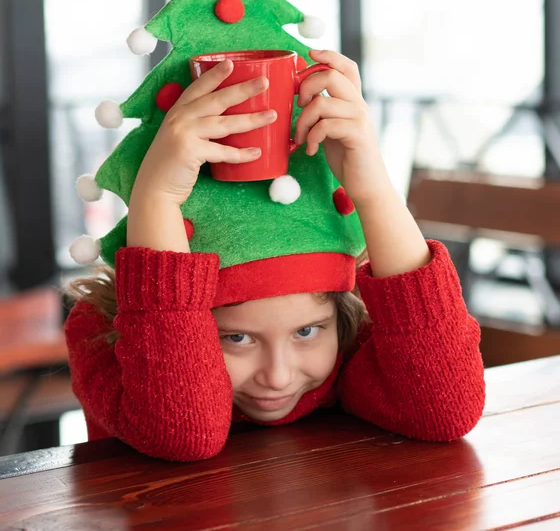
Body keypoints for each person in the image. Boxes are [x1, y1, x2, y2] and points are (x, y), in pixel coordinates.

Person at [65, 49, 486, 462]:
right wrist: (156, 199)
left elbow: (446, 410)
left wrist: (374, 189)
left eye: (307, 332)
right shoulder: (100, 332)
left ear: (340, 315)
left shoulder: (350, 344)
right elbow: (184, 433)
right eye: (236, 337)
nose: (278, 377)